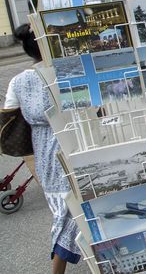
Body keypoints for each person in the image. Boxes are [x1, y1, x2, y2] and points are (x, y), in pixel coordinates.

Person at [4, 24, 81, 273]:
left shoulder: (18, 81)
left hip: (45, 151)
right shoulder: (68, 71)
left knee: (65, 211)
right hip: (75, 140)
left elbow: (9, 117)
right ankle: (59, 267)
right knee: (75, 211)